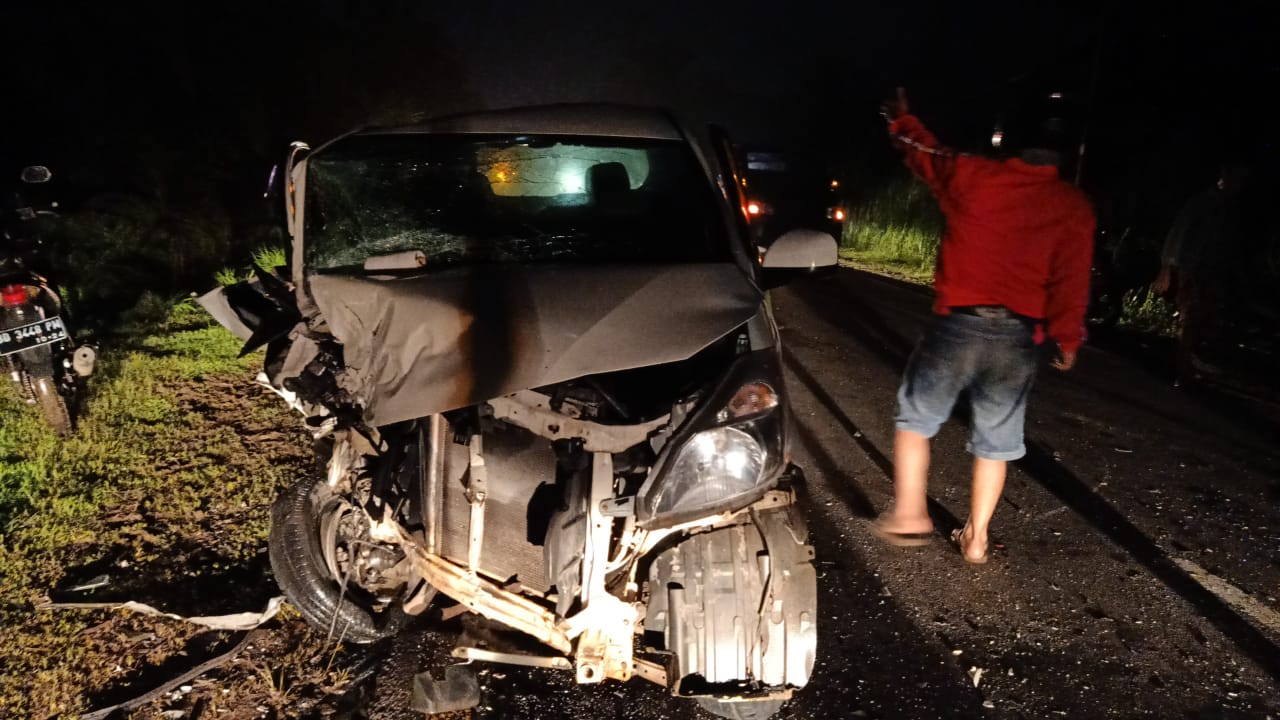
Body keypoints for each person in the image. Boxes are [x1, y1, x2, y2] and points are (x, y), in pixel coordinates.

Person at [872, 88, 1095, 564]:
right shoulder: (1072, 205)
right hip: (1019, 337)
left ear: (1008, 136)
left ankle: (911, 512)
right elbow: (1071, 280)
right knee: (996, 442)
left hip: (957, 325)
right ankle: (976, 539)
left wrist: (902, 121)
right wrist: (1069, 337)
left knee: (917, 418)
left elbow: (925, 154)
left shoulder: (974, 176)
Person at [1152, 162, 1250, 382]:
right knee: (1191, 314)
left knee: (1204, 315)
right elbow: (1179, 233)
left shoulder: (1228, 209)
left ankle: (1189, 359)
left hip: (1211, 271)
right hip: (1193, 269)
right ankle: (1181, 363)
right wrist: (1168, 267)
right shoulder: (1203, 203)